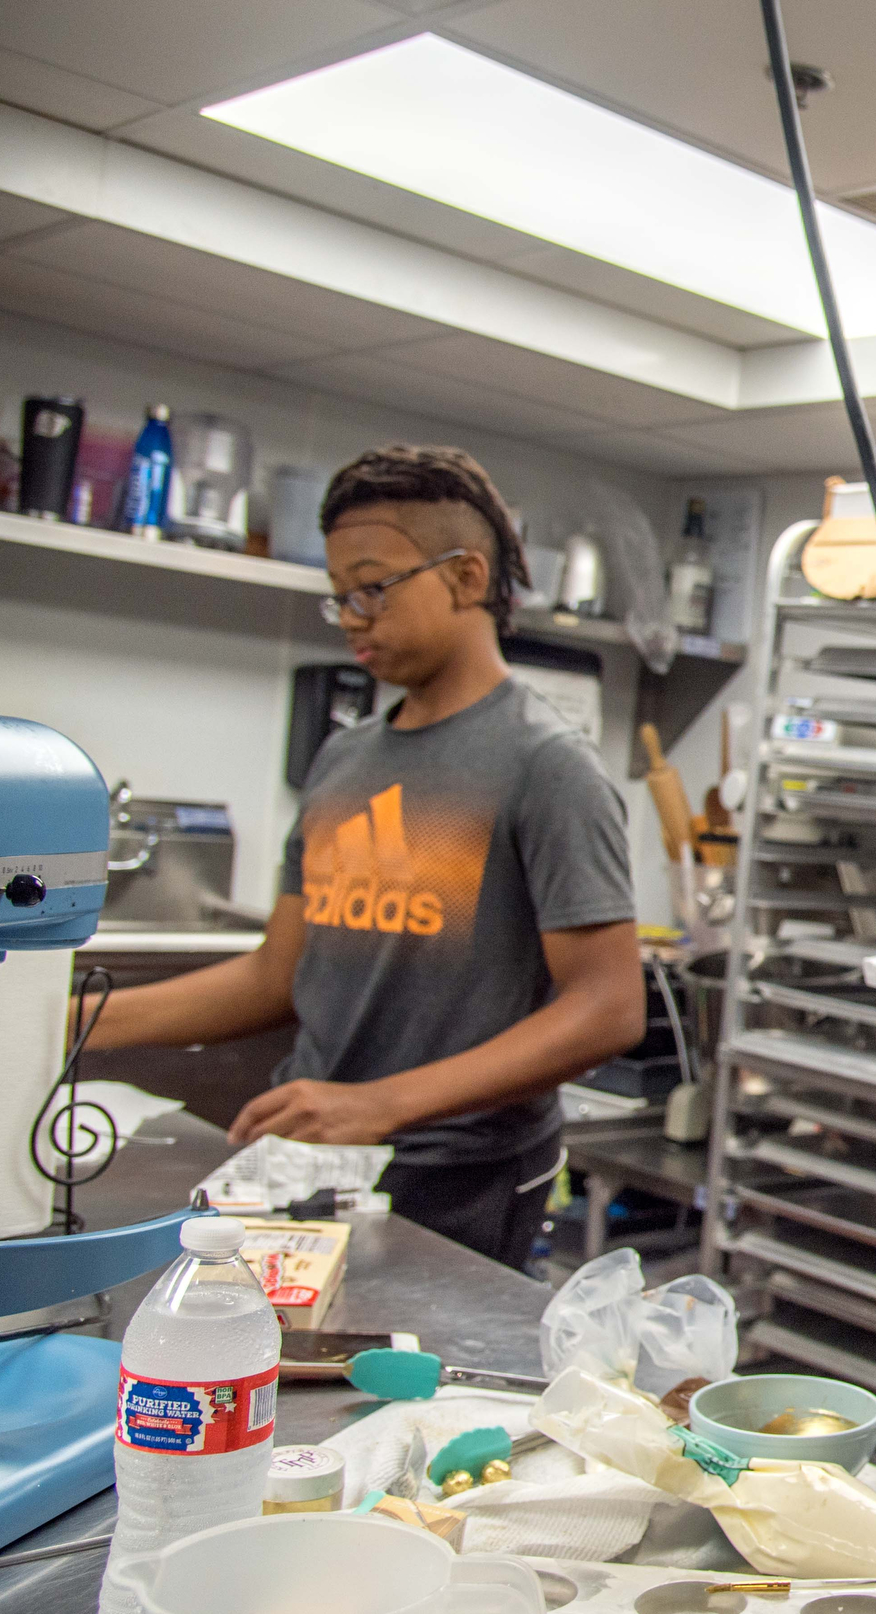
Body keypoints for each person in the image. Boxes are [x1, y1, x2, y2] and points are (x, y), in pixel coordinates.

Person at [80, 445, 644, 1268]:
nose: (352, 613)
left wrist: (378, 1105)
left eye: (373, 586)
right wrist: (62, 1025)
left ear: (465, 576)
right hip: (315, 1159)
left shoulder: (546, 765)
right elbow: (275, 975)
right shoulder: (344, 762)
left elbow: (607, 1005)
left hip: (460, 1178)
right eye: (340, 593)